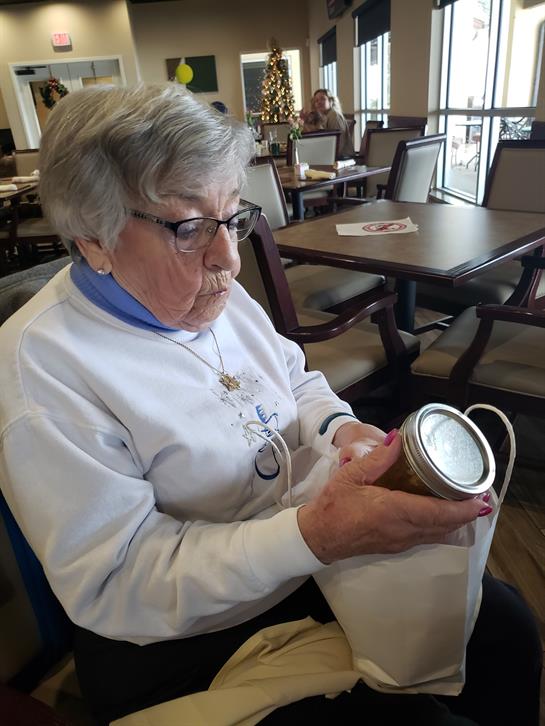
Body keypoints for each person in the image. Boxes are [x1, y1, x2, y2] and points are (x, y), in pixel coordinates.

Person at [0, 83, 540, 726]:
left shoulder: (212, 292)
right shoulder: (43, 368)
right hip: (181, 643)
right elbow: (118, 584)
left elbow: (296, 378)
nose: (228, 256)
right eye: (191, 226)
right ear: (93, 237)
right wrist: (313, 535)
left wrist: (342, 431)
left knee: (508, 628)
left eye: (232, 217)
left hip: (301, 564)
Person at [302, 88, 354, 158]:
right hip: (330, 156)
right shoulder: (322, 117)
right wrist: (305, 121)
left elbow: (338, 145)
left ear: (331, 101)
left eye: (323, 99)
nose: (319, 102)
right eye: (316, 101)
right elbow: (315, 139)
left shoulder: (334, 116)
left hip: (343, 160)